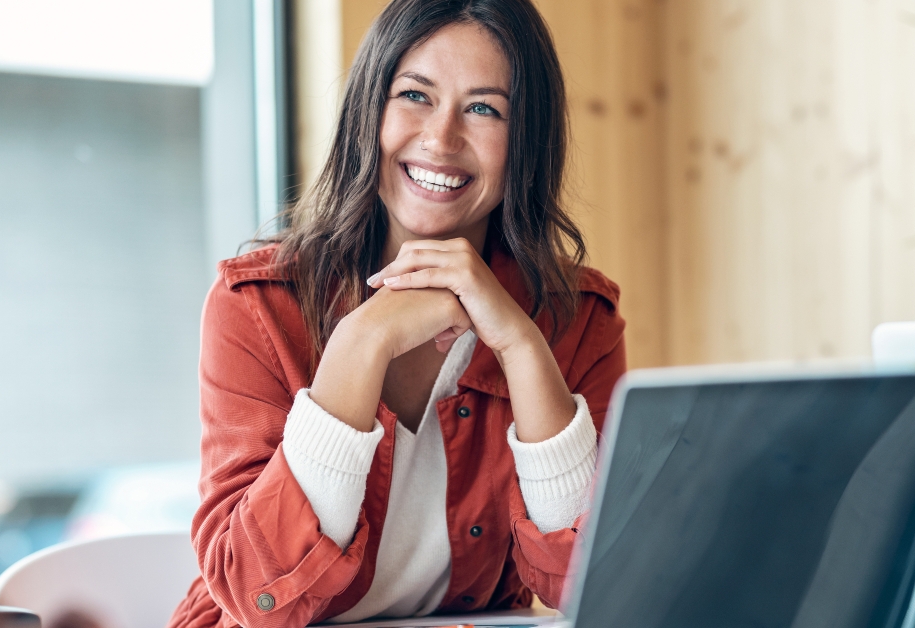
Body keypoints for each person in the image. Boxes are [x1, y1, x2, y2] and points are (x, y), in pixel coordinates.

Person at [169, 1, 626, 626]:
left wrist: (522, 347)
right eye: (415, 95)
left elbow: (593, 586)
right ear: (368, 111)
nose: (441, 139)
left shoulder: (578, 319)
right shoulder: (257, 309)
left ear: (526, 143)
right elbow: (258, 594)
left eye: (484, 108)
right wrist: (362, 342)